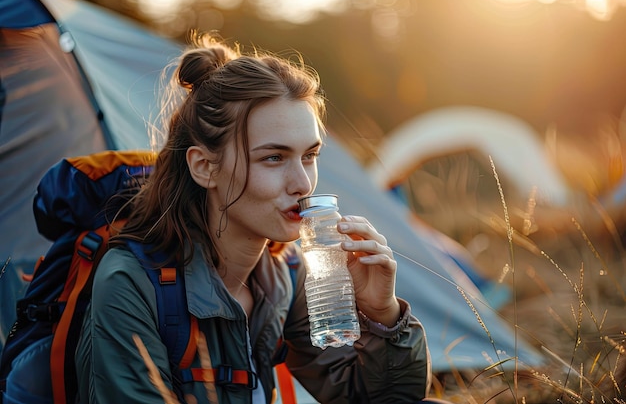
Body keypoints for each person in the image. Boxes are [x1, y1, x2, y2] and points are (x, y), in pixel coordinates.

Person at [75, 33, 431, 404]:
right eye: (274, 158)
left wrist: (382, 314)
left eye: (309, 156)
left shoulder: (283, 277)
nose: (302, 183)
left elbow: (388, 400)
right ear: (204, 167)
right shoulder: (130, 283)